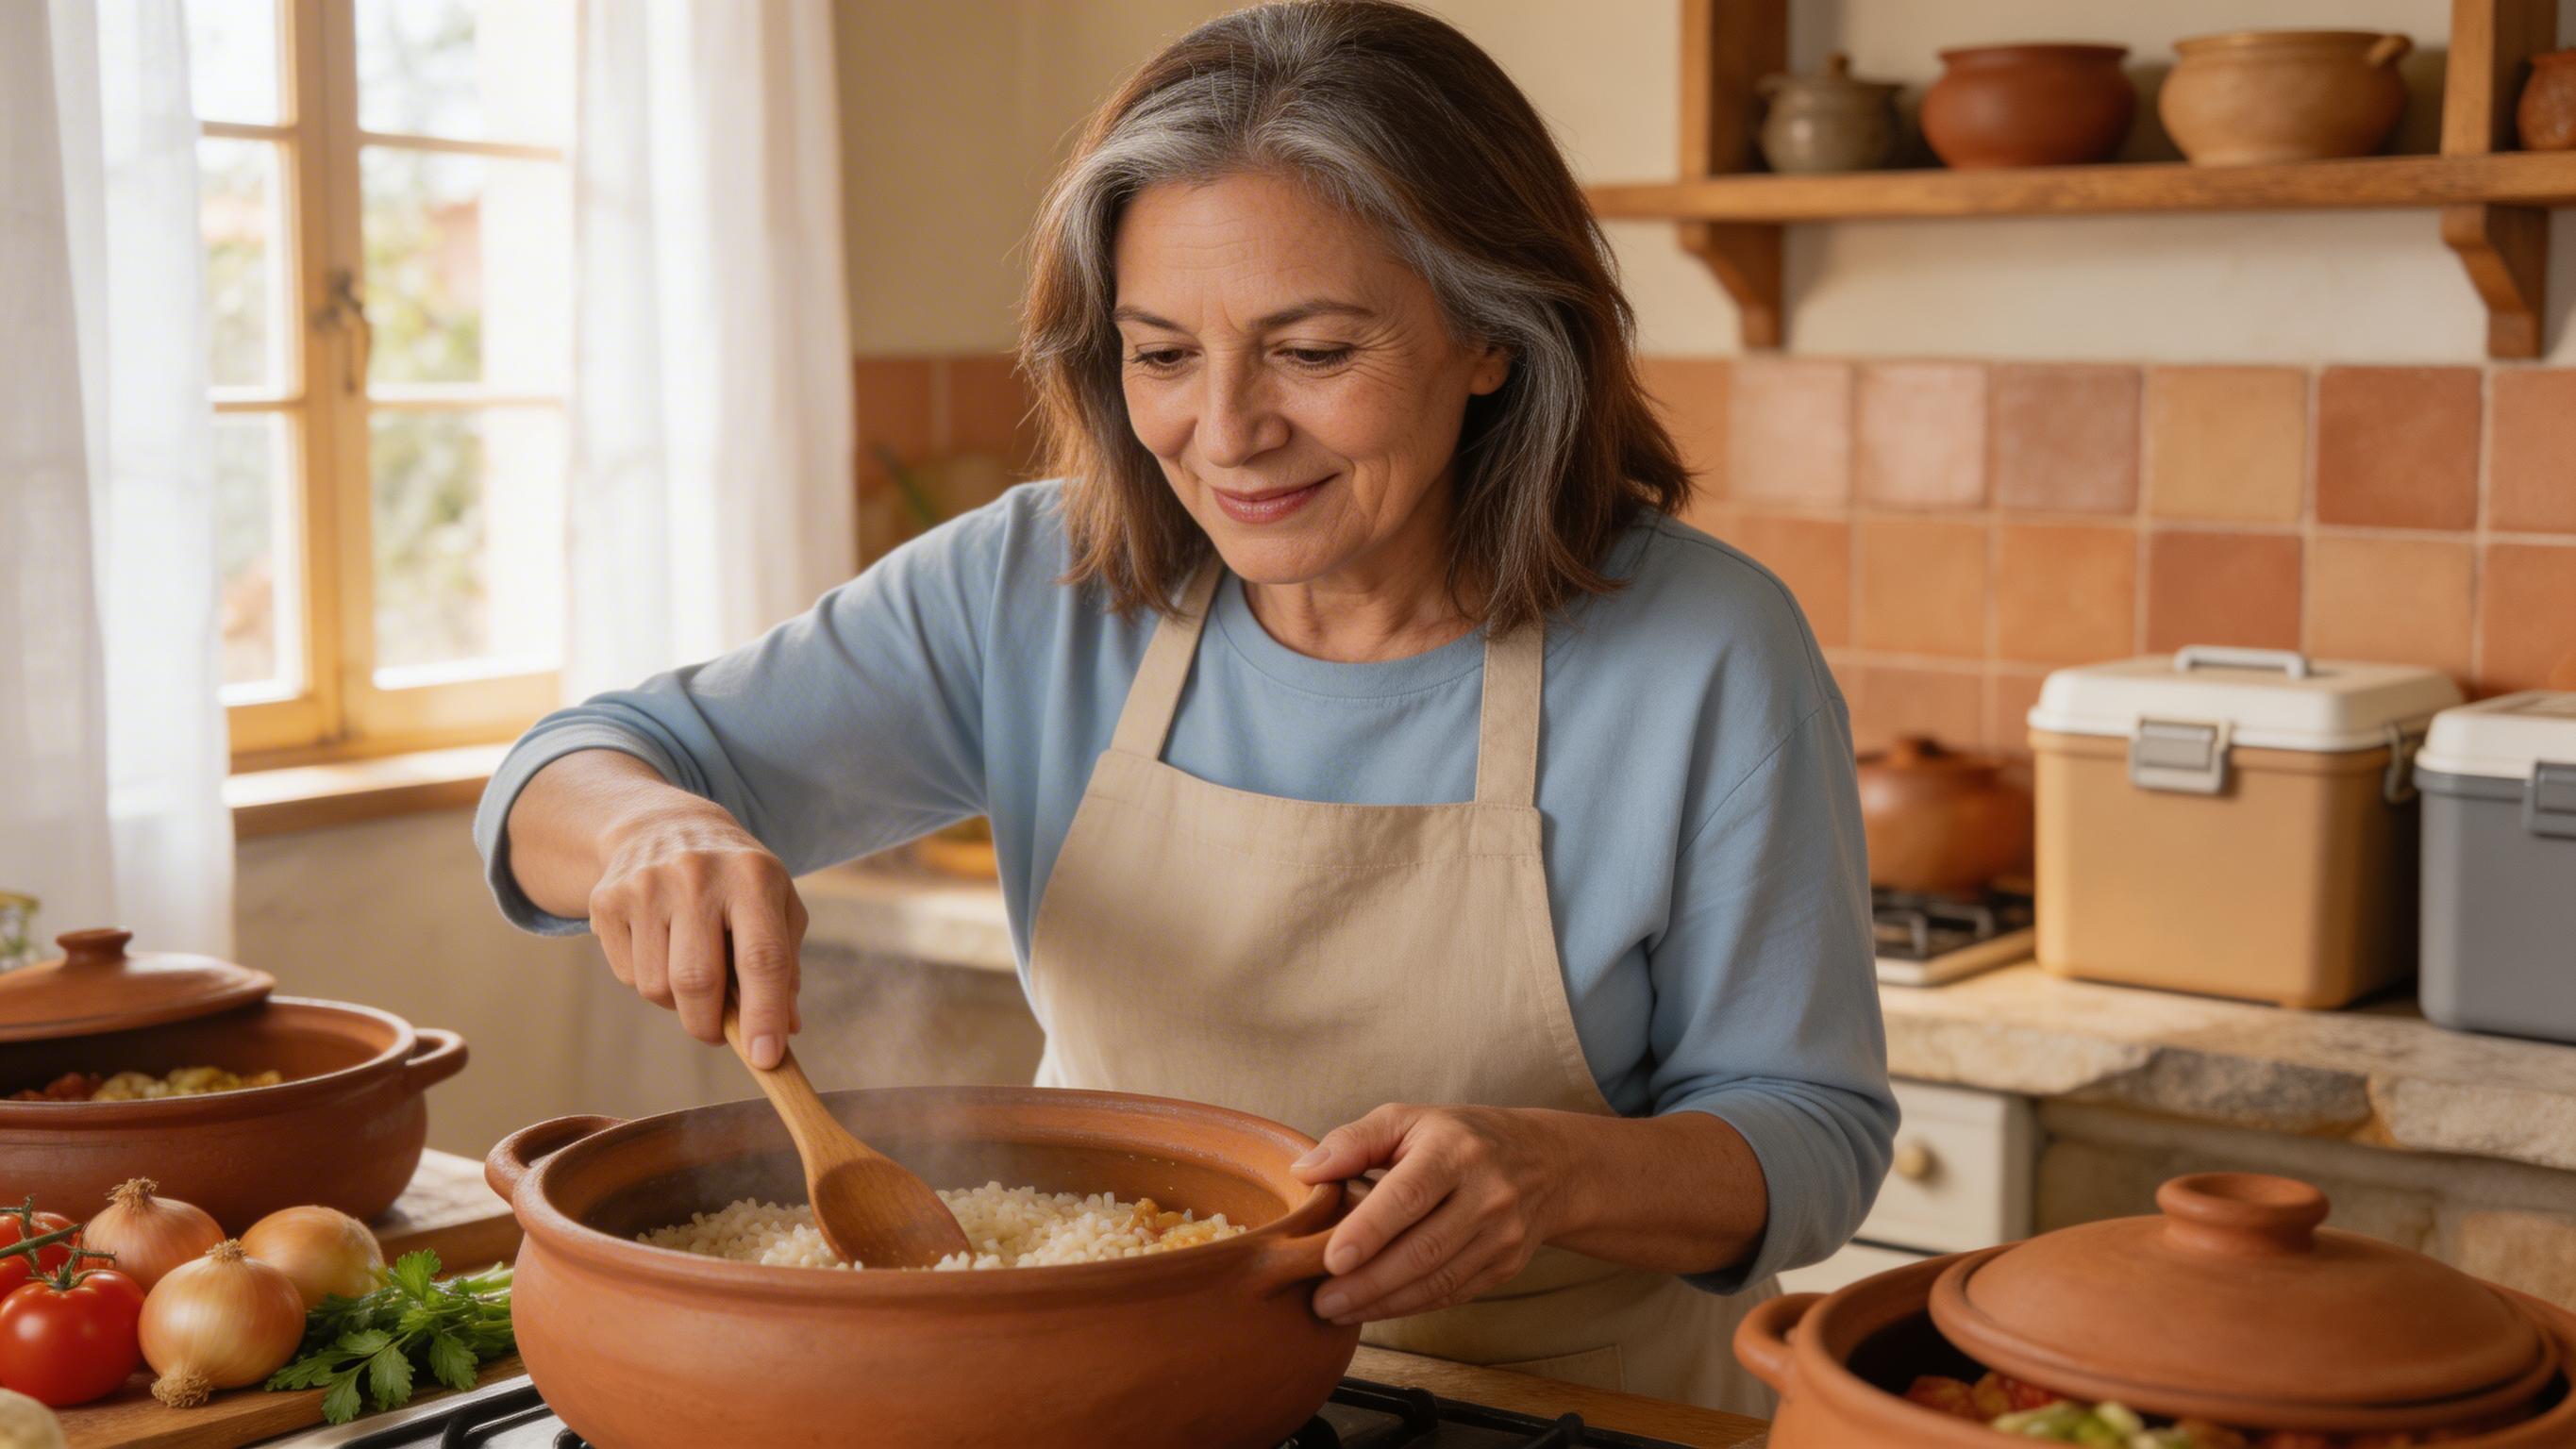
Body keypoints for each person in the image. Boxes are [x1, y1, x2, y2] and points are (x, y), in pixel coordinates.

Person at [475, 0, 1892, 1414]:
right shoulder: (1035, 582)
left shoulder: (1704, 649)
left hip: (1557, 1405)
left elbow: (1811, 1137)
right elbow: (563, 775)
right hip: (1118, 1394)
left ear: (1493, 335)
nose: (1223, 433)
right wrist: (652, 830)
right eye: (1160, 355)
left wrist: (1558, 1171)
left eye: (1314, 352)